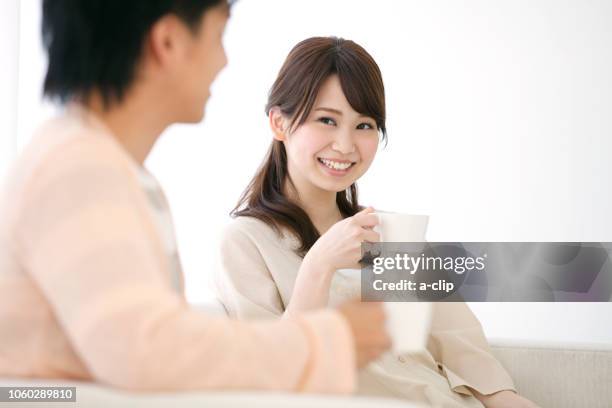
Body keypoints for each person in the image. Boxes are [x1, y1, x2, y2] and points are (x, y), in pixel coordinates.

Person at [0, 1, 391, 392]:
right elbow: (149, 353)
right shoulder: (79, 170)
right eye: (219, 35)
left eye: (364, 124)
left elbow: (450, 326)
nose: (223, 60)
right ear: (168, 42)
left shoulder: (109, 171)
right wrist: (330, 339)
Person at [213, 36, 539, 407]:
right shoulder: (244, 242)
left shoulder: (389, 234)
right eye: (326, 120)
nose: (345, 145)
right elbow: (273, 379)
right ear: (279, 123)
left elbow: (463, 348)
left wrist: (507, 399)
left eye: (364, 125)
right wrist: (319, 265)